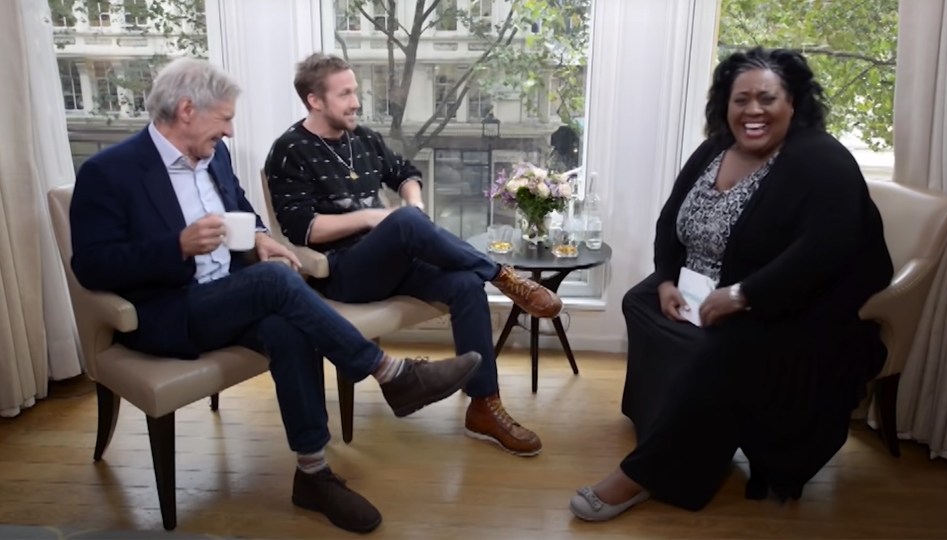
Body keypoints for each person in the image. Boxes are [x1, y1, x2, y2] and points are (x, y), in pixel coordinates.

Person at [69, 58, 486, 534]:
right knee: (277, 282)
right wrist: (176, 246)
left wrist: (263, 239)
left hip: (227, 295)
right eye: (223, 118)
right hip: (168, 312)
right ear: (186, 110)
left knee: (289, 323)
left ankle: (312, 474)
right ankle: (390, 373)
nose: (229, 131)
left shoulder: (214, 157)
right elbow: (91, 265)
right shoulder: (110, 171)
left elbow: (242, 208)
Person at [569, 47, 893, 521]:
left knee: (728, 344)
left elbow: (823, 253)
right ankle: (666, 424)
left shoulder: (822, 160)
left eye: (768, 98)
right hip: (706, 285)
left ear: (794, 103)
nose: (753, 111)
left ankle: (644, 475)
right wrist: (664, 280)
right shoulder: (715, 147)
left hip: (798, 307)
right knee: (640, 301)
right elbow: (669, 221)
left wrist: (744, 295)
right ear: (725, 104)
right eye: (741, 99)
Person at [264, 53, 562, 458]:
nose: (356, 101)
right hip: (340, 273)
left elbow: (406, 174)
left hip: (389, 262)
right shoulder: (289, 150)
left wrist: (414, 205)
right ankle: (503, 276)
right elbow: (303, 229)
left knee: (464, 283)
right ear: (315, 101)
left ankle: (483, 407)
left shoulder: (364, 138)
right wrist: (378, 218)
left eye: (356, 90)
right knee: (402, 223)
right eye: (345, 93)